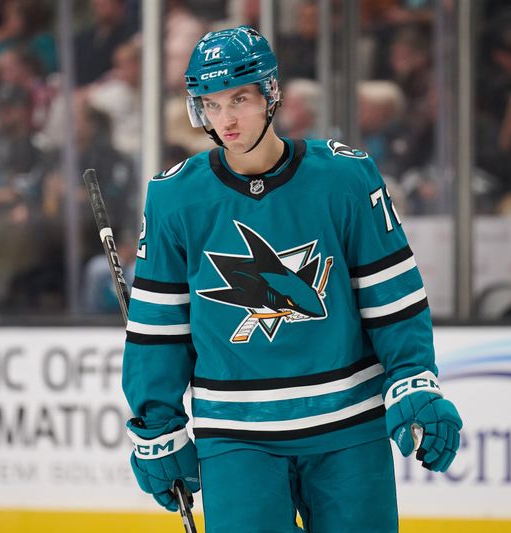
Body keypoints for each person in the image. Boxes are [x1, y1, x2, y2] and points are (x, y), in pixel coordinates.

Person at [121, 26, 462, 532]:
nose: (226, 118)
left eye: (239, 98)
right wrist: (157, 424)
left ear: (270, 93)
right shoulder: (174, 198)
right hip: (237, 437)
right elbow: (159, 327)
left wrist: (412, 377)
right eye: (211, 104)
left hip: (348, 424)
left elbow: (392, 295)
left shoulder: (346, 177)